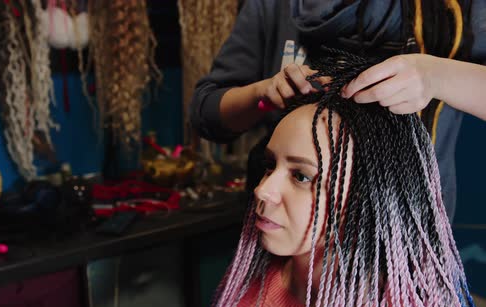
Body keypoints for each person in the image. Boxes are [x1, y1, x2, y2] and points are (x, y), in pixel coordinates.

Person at [201, 51, 485, 307]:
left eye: (301, 176)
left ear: (367, 198)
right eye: (269, 165)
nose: (263, 190)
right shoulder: (242, 298)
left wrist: (437, 75)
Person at [190, 0, 486, 221]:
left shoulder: (460, 9)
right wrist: (263, 95)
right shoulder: (275, 6)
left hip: (406, 232)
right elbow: (206, 115)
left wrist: (438, 76)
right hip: (288, 227)